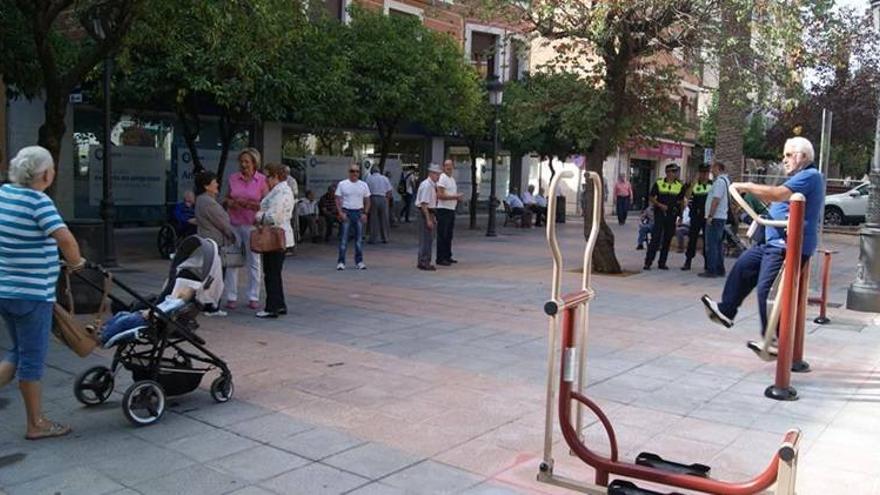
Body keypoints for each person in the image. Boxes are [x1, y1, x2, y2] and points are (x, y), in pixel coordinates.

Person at [701, 137, 825, 349]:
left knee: (767, 292)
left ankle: (775, 342)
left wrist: (747, 186)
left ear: (801, 156)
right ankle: (726, 310)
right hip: (772, 242)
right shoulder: (800, 176)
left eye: (788, 155)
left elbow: (778, 195)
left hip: (787, 246)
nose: (784, 160)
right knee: (743, 267)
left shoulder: (810, 176)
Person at [0, 146, 85, 440]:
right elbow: (65, 239)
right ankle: (36, 423)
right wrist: (76, 263)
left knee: (18, 351)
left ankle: (36, 420)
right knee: (32, 360)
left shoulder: (5, 194)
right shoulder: (39, 202)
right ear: (46, 174)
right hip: (32, 294)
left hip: (5, 290)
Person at [223, 148, 268, 311]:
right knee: (232, 260)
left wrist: (251, 205)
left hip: (252, 225)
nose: (243, 165)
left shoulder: (261, 180)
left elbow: (266, 203)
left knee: (254, 261)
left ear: (254, 163)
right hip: (234, 223)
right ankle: (231, 296)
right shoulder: (233, 178)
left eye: (247, 162)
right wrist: (231, 202)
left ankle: (253, 296)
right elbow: (226, 198)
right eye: (241, 162)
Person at [255, 164, 295, 318]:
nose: (266, 181)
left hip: (275, 236)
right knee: (275, 273)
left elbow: (274, 217)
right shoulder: (282, 191)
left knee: (271, 273)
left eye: (268, 177)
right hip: (280, 236)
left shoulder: (280, 193)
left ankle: (271, 307)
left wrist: (259, 217)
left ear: (275, 177)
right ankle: (279, 304)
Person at [643, 163, 685, 270]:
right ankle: (648, 262)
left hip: (672, 215)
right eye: (673, 171)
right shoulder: (659, 183)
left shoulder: (680, 185)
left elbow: (680, 202)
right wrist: (659, 205)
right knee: (655, 238)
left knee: (667, 239)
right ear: (668, 172)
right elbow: (651, 197)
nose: (675, 174)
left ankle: (662, 262)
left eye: (676, 172)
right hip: (660, 214)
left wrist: (681, 216)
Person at [335, 164, 371, 270]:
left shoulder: (363, 185)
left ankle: (359, 261)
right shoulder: (342, 184)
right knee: (343, 239)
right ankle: (341, 262)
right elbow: (337, 198)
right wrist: (340, 212)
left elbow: (368, 200)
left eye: (357, 171)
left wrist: (365, 213)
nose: (354, 173)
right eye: (352, 171)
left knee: (359, 240)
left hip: (359, 212)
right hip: (346, 211)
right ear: (349, 172)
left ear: (359, 173)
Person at [700, 160, 731, 278]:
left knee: (711, 244)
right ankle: (719, 269)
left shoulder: (719, 182)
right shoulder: (726, 181)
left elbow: (716, 200)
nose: (711, 171)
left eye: (713, 168)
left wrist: (710, 216)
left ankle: (711, 270)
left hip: (716, 217)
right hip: (721, 217)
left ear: (718, 167)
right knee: (718, 244)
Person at [682, 164, 713, 271]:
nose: (704, 175)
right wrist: (693, 183)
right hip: (695, 216)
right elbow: (686, 196)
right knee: (692, 239)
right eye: (702, 173)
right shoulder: (693, 185)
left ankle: (707, 262)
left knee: (707, 239)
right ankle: (688, 261)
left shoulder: (712, 185)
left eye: (706, 173)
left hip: (707, 216)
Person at [436, 159, 464, 266]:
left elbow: (451, 193)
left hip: (451, 209)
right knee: (442, 234)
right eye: (446, 166)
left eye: (450, 165)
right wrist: (455, 196)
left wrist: (456, 198)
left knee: (448, 234)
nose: (449, 167)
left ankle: (447, 255)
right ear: (443, 167)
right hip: (443, 209)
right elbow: (440, 195)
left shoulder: (451, 179)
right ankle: (440, 258)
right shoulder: (442, 178)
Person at [416, 164, 442, 271]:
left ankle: (424, 260)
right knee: (426, 238)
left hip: (430, 212)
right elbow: (424, 204)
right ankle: (424, 261)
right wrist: (428, 219)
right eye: (436, 174)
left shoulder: (431, 185)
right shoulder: (427, 185)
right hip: (426, 212)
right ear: (431, 174)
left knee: (428, 238)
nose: (438, 176)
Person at [365, 167, 392, 244]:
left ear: (372, 171)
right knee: (384, 219)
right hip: (383, 198)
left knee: (374, 219)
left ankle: (373, 238)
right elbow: (389, 191)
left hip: (373, 198)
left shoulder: (369, 178)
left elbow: (367, 190)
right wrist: (387, 200)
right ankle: (385, 237)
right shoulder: (385, 178)